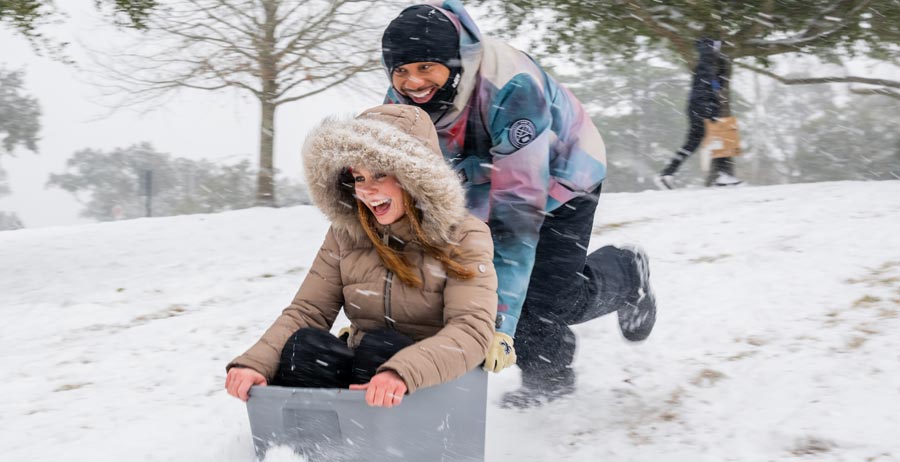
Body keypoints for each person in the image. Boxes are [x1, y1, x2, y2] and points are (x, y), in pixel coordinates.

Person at [381, 0, 657, 408]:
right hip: (478, 179)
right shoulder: (399, 104)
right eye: (401, 71)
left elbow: (516, 218)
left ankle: (621, 279)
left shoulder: (512, 87)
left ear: (454, 61)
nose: (412, 82)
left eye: (425, 67)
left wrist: (501, 326)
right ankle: (548, 372)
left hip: (563, 172)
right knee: (456, 279)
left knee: (544, 296)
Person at [225, 104, 498, 408]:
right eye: (358, 178)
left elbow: (471, 329)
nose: (367, 191)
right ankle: (305, 449)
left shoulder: (463, 235)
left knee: (383, 348)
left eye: (380, 174)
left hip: (430, 381)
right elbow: (308, 311)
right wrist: (255, 362)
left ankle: (381, 448)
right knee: (307, 347)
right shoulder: (347, 234)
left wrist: (402, 371)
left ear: (415, 177)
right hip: (364, 381)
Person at [654, 38, 743, 189]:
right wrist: (708, 109)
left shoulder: (706, 65)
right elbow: (704, 89)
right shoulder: (705, 64)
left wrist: (722, 70)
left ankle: (667, 174)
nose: (718, 52)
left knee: (693, 143)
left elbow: (715, 85)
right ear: (711, 49)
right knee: (724, 132)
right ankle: (723, 175)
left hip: (698, 108)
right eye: (716, 49)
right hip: (703, 107)